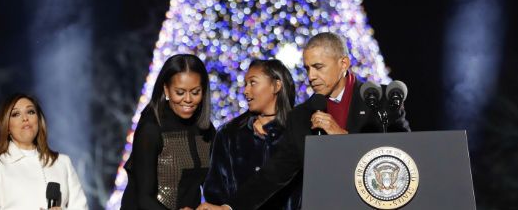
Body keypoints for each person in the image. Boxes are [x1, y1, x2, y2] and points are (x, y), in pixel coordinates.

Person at [197, 32, 410, 210]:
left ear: (343, 63)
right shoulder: (301, 115)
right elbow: (274, 173)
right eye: (307, 68)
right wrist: (229, 207)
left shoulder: (381, 100)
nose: (311, 76)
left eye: (319, 67)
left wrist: (344, 138)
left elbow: (406, 155)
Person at [203, 59, 302, 210]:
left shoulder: (297, 133)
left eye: (253, 83)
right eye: (245, 84)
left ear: (276, 86)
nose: (246, 91)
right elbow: (215, 190)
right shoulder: (229, 134)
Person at [121, 54, 216, 210]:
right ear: (166, 89)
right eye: (180, 92)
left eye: (195, 92)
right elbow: (143, 197)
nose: (188, 99)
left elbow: (213, 184)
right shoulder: (151, 127)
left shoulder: (206, 129)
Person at [0, 92, 89, 209]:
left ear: (38, 121)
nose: (25, 118)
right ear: (7, 126)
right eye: (15, 114)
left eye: (30, 112)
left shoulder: (62, 162)